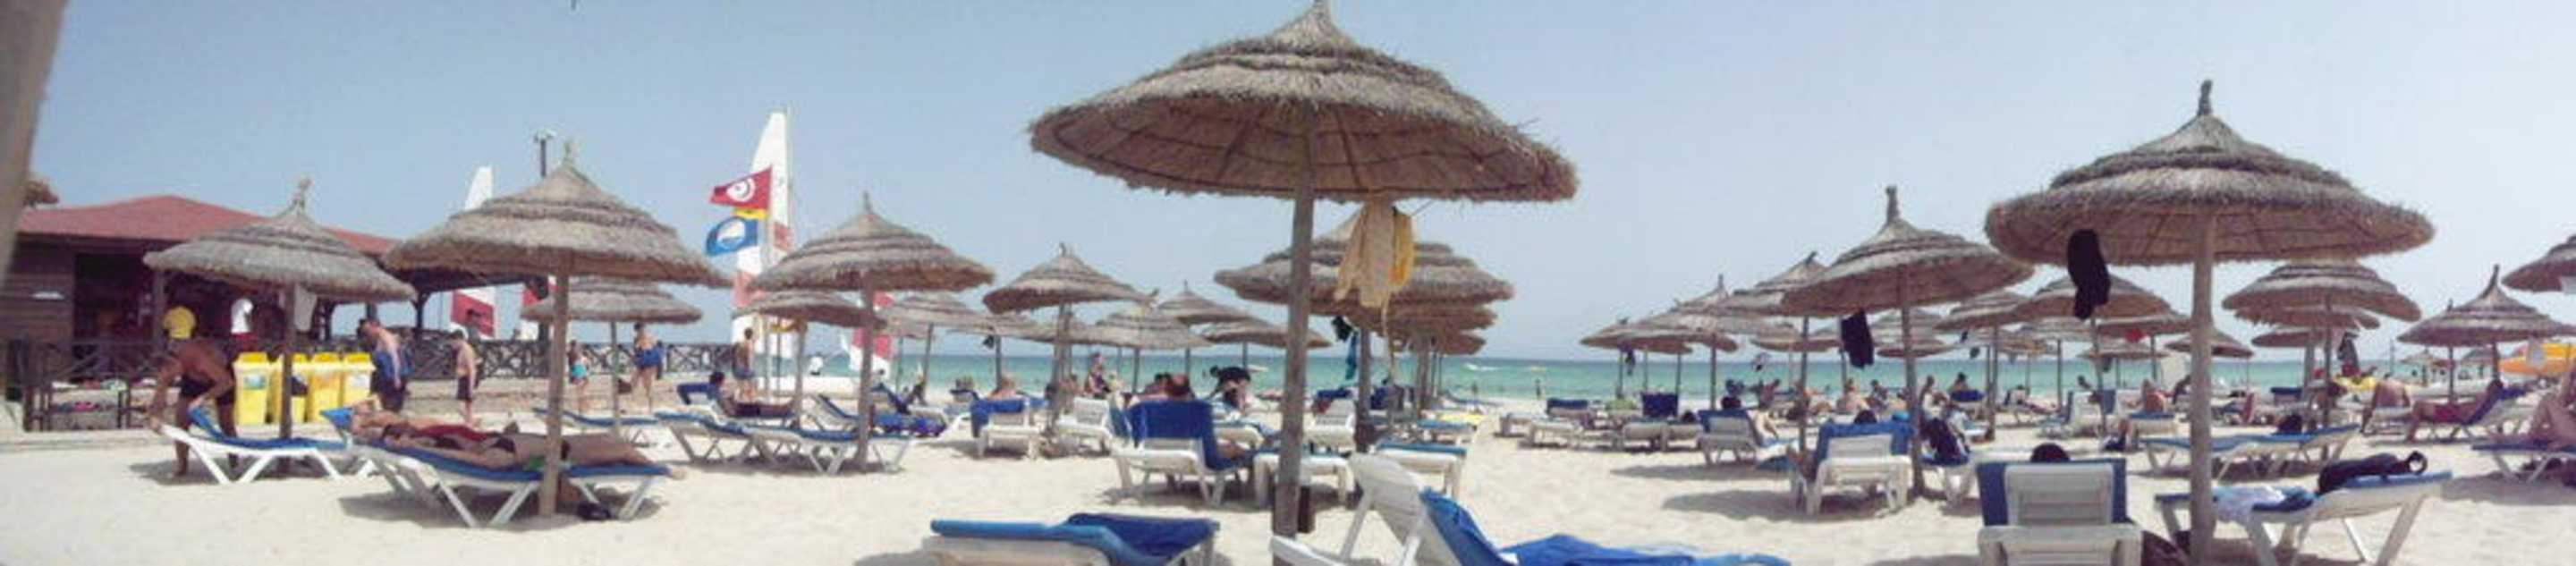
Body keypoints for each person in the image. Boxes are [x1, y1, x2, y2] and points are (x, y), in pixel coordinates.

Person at [147, 339, 236, 479]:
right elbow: (159, 395)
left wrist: (202, 398)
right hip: (193, 379)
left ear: (175, 362)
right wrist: (154, 417)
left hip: (221, 377)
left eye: (173, 373)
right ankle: (182, 467)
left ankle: (234, 462)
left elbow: (227, 383)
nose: (173, 377)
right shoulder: (169, 370)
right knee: (181, 421)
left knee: (226, 423)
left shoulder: (199, 358)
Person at [360, 318, 410, 413]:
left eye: (368, 330)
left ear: (375, 326)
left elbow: (395, 358)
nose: (367, 334)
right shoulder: (378, 339)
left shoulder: (387, 338)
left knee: (392, 404)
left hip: (393, 375)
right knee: (381, 401)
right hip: (385, 376)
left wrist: (396, 377)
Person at [450, 331, 481, 426]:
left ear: (459, 340)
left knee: (461, 408)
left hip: (467, 379)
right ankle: (470, 423)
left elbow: (472, 370)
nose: (452, 344)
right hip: (463, 378)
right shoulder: (461, 350)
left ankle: (471, 422)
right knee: (468, 406)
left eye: (453, 342)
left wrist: (471, 388)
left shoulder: (467, 351)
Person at [632, 323, 663, 410]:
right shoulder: (636, 339)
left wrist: (659, 369)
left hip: (650, 363)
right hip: (641, 362)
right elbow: (637, 353)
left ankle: (651, 406)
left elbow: (658, 353)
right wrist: (636, 358)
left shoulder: (650, 338)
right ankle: (634, 403)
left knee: (647, 385)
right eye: (638, 330)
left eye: (641, 329)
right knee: (634, 382)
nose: (640, 331)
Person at [569, 342, 593, 413]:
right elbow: (574, 370)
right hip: (578, 378)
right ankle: (581, 409)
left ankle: (586, 408)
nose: (576, 352)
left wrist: (587, 375)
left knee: (584, 394)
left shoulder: (584, 359)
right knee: (579, 394)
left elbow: (589, 368)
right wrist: (573, 376)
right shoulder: (575, 360)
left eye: (577, 351)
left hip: (584, 378)